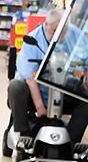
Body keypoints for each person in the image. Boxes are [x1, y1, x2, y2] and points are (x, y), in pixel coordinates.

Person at [9, 8, 88, 144]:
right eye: (56, 31)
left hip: (65, 89)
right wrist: (40, 107)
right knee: (15, 86)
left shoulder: (75, 34)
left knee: (86, 98)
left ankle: (71, 142)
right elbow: (30, 79)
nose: (61, 35)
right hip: (36, 92)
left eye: (64, 31)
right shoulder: (33, 40)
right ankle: (24, 135)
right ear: (47, 26)